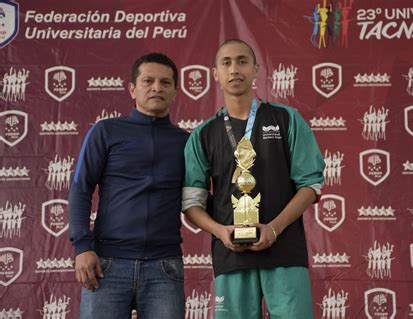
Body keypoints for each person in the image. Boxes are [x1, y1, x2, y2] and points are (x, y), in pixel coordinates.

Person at [182, 39, 326, 318]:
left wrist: (274, 228)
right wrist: (220, 231)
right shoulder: (202, 134)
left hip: (285, 253)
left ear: (256, 69)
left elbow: (310, 184)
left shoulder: (287, 119)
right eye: (226, 63)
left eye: (242, 61)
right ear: (215, 73)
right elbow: (191, 202)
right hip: (231, 255)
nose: (234, 69)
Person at [68, 52, 188, 319]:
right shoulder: (106, 131)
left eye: (165, 82)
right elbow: (80, 188)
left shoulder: (186, 142)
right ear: (132, 89)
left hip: (164, 268)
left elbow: (199, 198)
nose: (157, 87)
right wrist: (82, 247)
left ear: (175, 91)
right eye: (148, 81)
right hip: (106, 265)